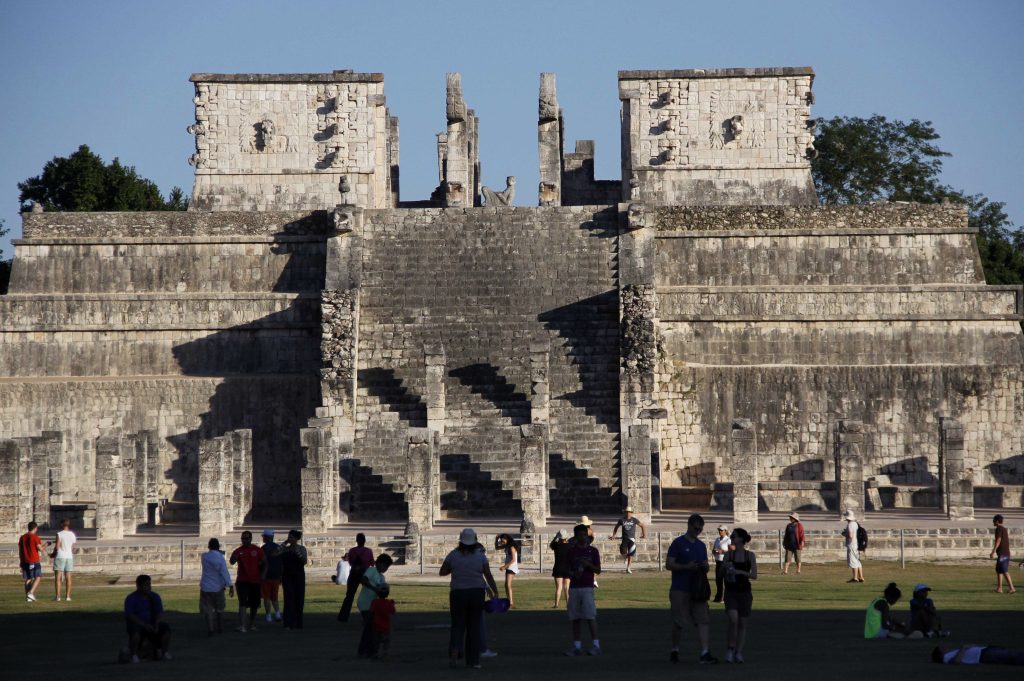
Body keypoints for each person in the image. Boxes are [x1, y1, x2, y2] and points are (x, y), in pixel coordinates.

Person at [439, 528, 499, 669]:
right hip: (476, 593)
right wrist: (495, 591)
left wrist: (456, 569)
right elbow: (488, 575)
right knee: (473, 627)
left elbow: (443, 572)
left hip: (458, 593)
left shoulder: (453, 555)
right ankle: (473, 661)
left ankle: (454, 657)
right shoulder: (480, 557)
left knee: (457, 626)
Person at [667, 513, 717, 664]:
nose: (698, 532)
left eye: (700, 530)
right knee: (679, 622)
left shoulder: (701, 546)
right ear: (689, 526)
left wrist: (704, 567)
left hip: (697, 589)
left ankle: (705, 652)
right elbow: (669, 564)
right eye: (696, 528)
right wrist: (686, 567)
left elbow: (706, 565)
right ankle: (675, 649)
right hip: (680, 588)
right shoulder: (678, 543)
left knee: (703, 620)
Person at [565, 523, 602, 657]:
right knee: (575, 617)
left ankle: (596, 646)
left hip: (587, 587)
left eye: (584, 535)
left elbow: (598, 570)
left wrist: (588, 565)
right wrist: (573, 573)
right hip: (574, 587)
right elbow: (567, 569)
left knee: (590, 616)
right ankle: (577, 646)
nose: (583, 538)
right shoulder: (572, 551)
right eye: (580, 535)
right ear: (575, 536)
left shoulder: (593, 551)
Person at [722, 528, 757, 663]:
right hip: (731, 591)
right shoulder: (728, 555)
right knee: (733, 619)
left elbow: (754, 575)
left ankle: (738, 652)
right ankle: (730, 649)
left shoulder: (750, 555)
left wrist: (740, 572)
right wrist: (725, 568)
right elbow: (719, 575)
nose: (731, 537)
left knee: (742, 623)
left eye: (734, 536)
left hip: (745, 593)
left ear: (741, 539)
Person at [124, 574, 172, 662]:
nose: (149, 587)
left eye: (149, 584)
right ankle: (134, 655)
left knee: (166, 629)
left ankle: (164, 652)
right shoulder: (131, 598)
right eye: (146, 585)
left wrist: (156, 624)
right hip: (138, 624)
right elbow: (130, 615)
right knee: (135, 632)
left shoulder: (154, 597)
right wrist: (143, 624)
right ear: (138, 586)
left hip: (152, 623)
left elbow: (159, 612)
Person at [357, 553, 393, 657]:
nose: (385, 569)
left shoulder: (382, 577)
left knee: (371, 629)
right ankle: (365, 650)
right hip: (365, 603)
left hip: (373, 606)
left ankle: (368, 650)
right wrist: (374, 589)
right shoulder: (372, 570)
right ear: (380, 563)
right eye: (385, 566)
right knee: (369, 629)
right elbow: (363, 580)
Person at [229, 530, 266, 633]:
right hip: (242, 581)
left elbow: (265, 562)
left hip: (255, 581)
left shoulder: (257, 550)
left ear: (250, 539)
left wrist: (263, 574)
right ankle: (242, 625)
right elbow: (231, 562)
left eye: (246, 538)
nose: (244, 540)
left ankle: (252, 624)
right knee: (243, 603)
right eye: (243, 538)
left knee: (254, 605)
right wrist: (233, 558)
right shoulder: (238, 550)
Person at [199, 538, 234, 636]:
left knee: (208, 610)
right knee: (220, 609)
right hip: (218, 587)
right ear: (218, 547)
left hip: (206, 587)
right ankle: (220, 627)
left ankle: (211, 629)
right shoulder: (220, 558)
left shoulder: (204, 557)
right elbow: (224, 572)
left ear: (209, 546)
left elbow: (209, 555)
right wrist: (230, 585)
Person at [275, 529, 308, 629]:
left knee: (299, 599)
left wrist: (296, 552)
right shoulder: (285, 549)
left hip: (298, 576)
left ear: (296, 539)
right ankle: (288, 623)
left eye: (292, 537)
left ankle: (298, 623)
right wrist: (284, 544)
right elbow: (274, 553)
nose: (289, 539)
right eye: (289, 537)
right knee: (288, 599)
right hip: (287, 576)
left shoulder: (301, 549)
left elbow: (304, 561)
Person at [339, 532, 375, 622]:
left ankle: (343, 617)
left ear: (357, 541)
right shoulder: (368, 551)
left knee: (349, 596)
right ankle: (368, 616)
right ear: (364, 541)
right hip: (364, 574)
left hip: (354, 573)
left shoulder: (352, 551)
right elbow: (372, 563)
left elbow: (350, 562)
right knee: (368, 596)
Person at [18, 521, 50, 602]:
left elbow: (20, 550)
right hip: (34, 560)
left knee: (28, 579)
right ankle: (31, 593)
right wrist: (47, 544)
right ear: (35, 528)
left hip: (25, 560)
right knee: (38, 577)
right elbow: (40, 549)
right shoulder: (35, 537)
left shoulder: (22, 537)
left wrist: (21, 561)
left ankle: (28, 597)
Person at [609, 506, 646, 574]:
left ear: (631, 513)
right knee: (623, 552)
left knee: (631, 554)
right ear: (625, 513)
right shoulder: (621, 520)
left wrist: (644, 535)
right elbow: (616, 527)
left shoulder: (634, 520)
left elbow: (642, 526)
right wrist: (613, 535)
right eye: (627, 512)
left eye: (629, 512)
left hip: (632, 539)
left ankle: (628, 568)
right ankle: (626, 557)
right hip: (624, 539)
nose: (628, 513)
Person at [260, 529, 283, 623]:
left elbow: (262, 562)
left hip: (267, 576)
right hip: (276, 575)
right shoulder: (278, 547)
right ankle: (277, 614)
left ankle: (269, 616)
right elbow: (282, 563)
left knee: (266, 597)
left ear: (265, 537)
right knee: (275, 596)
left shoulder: (264, 548)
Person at [52, 518, 77, 601]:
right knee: (68, 577)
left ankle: (58, 596)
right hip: (69, 557)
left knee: (58, 577)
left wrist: (53, 554)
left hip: (60, 556)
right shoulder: (72, 534)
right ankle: (68, 596)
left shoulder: (59, 534)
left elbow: (57, 547)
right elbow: (73, 548)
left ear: (62, 524)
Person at [990, 514, 1016, 594]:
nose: (993, 522)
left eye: (994, 520)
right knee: (999, 570)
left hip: (1003, 553)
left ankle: (1012, 588)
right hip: (1003, 553)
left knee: (1004, 570)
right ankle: (999, 588)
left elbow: (999, 540)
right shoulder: (1004, 529)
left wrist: (993, 551)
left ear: (997, 521)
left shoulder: (999, 529)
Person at [369, 584, 396, 659]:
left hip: (376, 626)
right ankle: (385, 654)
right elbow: (393, 612)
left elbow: (371, 612)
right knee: (386, 642)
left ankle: (375, 654)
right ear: (387, 593)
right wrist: (392, 604)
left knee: (376, 641)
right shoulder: (388, 603)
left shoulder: (374, 602)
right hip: (386, 627)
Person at [933, 644, 1024, 665]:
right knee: (1012, 656)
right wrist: (963, 648)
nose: (944, 646)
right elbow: (956, 661)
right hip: (983, 655)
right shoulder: (946, 657)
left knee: (1009, 655)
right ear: (940, 654)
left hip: (984, 651)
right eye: (941, 647)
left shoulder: (950, 653)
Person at [496, 533, 519, 608]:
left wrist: (504, 567)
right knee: (506, 585)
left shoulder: (512, 547)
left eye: (503, 541)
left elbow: (513, 559)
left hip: (511, 567)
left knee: (508, 585)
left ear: (507, 539)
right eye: (501, 541)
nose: (502, 542)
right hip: (508, 567)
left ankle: (511, 602)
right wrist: (496, 539)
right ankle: (509, 601)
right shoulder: (506, 546)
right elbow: (497, 547)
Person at [550, 529, 572, 608]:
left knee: (559, 588)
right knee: (567, 588)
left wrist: (555, 537)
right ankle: (568, 604)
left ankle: (556, 604)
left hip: (558, 568)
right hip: (567, 568)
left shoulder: (556, 545)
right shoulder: (570, 546)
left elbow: (551, 544)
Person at [842, 510, 864, 583]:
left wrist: (845, 534)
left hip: (852, 544)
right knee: (857, 561)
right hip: (856, 544)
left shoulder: (850, 525)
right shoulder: (855, 524)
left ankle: (855, 578)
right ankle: (860, 577)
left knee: (853, 561)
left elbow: (850, 536)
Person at [711, 525, 731, 603]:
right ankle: (719, 597)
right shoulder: (717, 539)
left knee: (725, 581)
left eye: (721, 530)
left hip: (725, 562)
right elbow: (714, 549)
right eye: (719, 530)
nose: (720, 531)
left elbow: (731, 551)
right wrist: (714, 551)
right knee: (718, 580)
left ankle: (725, 598)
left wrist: (722, 551)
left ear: (725, 531)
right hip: (718, 562)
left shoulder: (728, 540)